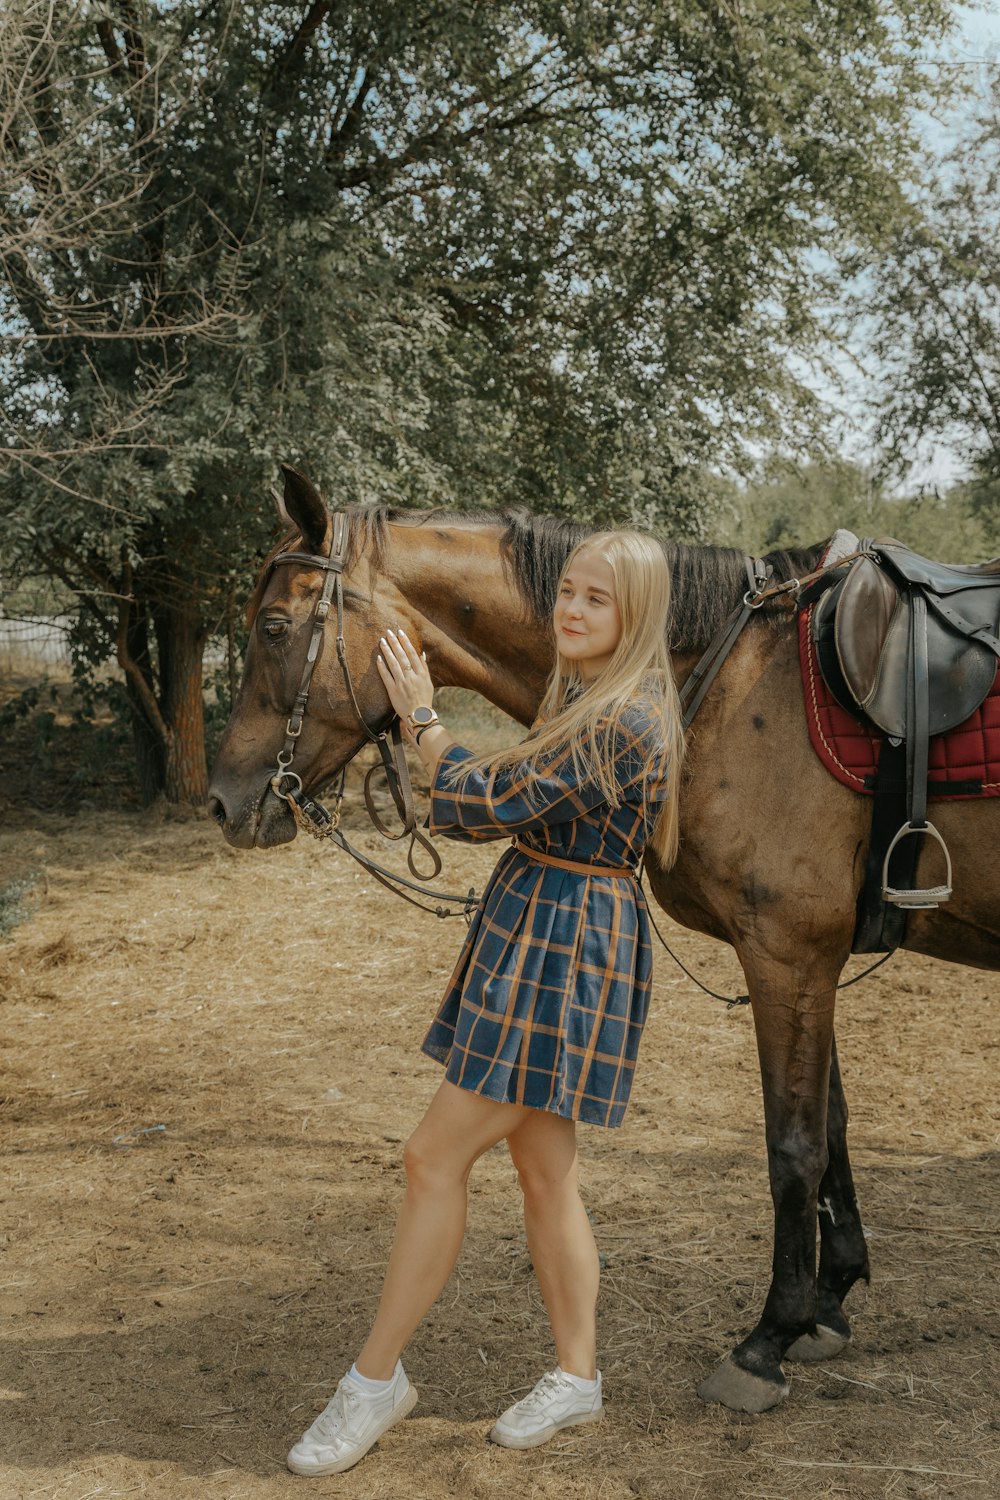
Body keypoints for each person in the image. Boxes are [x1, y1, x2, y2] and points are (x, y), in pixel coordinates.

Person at [286, 529, 684, 1478]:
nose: (572, 610)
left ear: (638, 617)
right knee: (545, 1174)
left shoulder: (627, 718)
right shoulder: (589, 698)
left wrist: (421, 715)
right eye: (569, 592)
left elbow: (482, 800)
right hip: (547, 925)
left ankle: (375, 1379)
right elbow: (491, 805)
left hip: (566, 949)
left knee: (432, 1156)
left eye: (598, 599)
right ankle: (578, 1377)